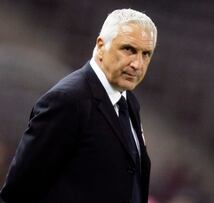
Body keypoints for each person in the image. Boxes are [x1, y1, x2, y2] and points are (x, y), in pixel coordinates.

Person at [0, 8, 157, 203]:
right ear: (101, 46)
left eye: (146, 54)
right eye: (129, 50)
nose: (137, 64)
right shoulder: (68, 100)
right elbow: (19, 191)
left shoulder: (129, 102)